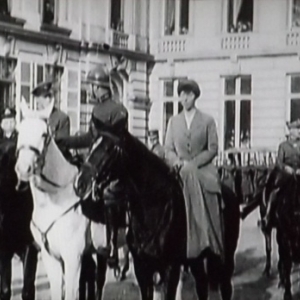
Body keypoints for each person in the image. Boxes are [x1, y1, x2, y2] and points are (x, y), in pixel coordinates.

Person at [57, 65, 128, 266]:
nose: (90, 90)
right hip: (97, 160)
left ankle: (113, 244)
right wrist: (65, 141)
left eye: (92, 86)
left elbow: (118, 140)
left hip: (113, 161)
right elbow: (90, 138)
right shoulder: (97, 109)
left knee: (109, 192)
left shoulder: (118, 109)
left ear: (100, 87)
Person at [165, 79, 224, 259]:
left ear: (195, 96)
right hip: (180, 168)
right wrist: (177, 161)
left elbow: (213, 148)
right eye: (182, 94)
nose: (184, 98)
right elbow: (168, 149)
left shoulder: (207, 120)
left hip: (202, 168)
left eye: (189, 94)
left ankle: (210, 239)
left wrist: (194, 164)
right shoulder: (173, 122)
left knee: (211, 192)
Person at [0, 107, 38, 300]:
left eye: (11, 120)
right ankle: (4, 292)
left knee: (29, 248)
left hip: (23, 201)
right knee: (3, 252)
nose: (9, 123)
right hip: (5, 203)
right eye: (5, 121)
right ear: (1, 124)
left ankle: (28, 292)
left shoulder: (22, 142)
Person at [263, 119, 300, 231]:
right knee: (277, 189)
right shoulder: (283, 146)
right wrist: (286, 168)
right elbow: (279, 162)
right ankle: (268, 214)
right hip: (286, 172)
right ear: (291, 131)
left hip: (299, 171)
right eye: (297, 129)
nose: (299, 131)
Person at [31, 80, 71, 160]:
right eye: (37, 103)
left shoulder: (62, 117)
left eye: (40, 102)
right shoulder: (35, 118)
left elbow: (62, 143)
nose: (38, 106)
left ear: (48, 99)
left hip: (56, 159)